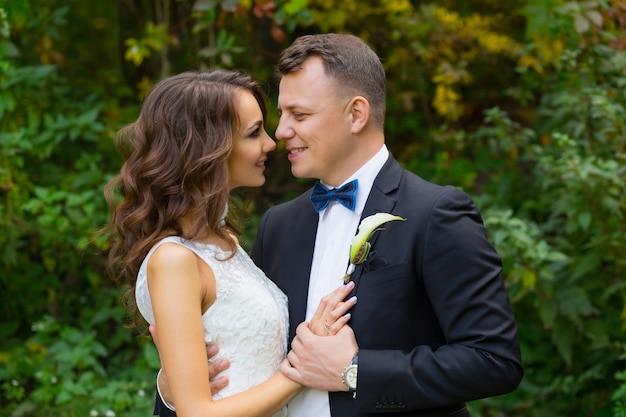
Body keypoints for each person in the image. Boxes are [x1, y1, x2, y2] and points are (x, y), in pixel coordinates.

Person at [155, 33, 524, 416]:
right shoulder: (278, 226)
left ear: (356, 114)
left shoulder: (435, 213)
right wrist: (172, 389)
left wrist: (356, 372)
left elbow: (494, 361)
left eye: (299, 115)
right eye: (282, 115)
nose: (280, 132)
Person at [104, 68, 357, 417]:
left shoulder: (227, 243)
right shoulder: (174, 260)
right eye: (254, 133)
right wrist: (304, 366)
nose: (271, 142)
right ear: (208, 149)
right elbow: (197, 413)